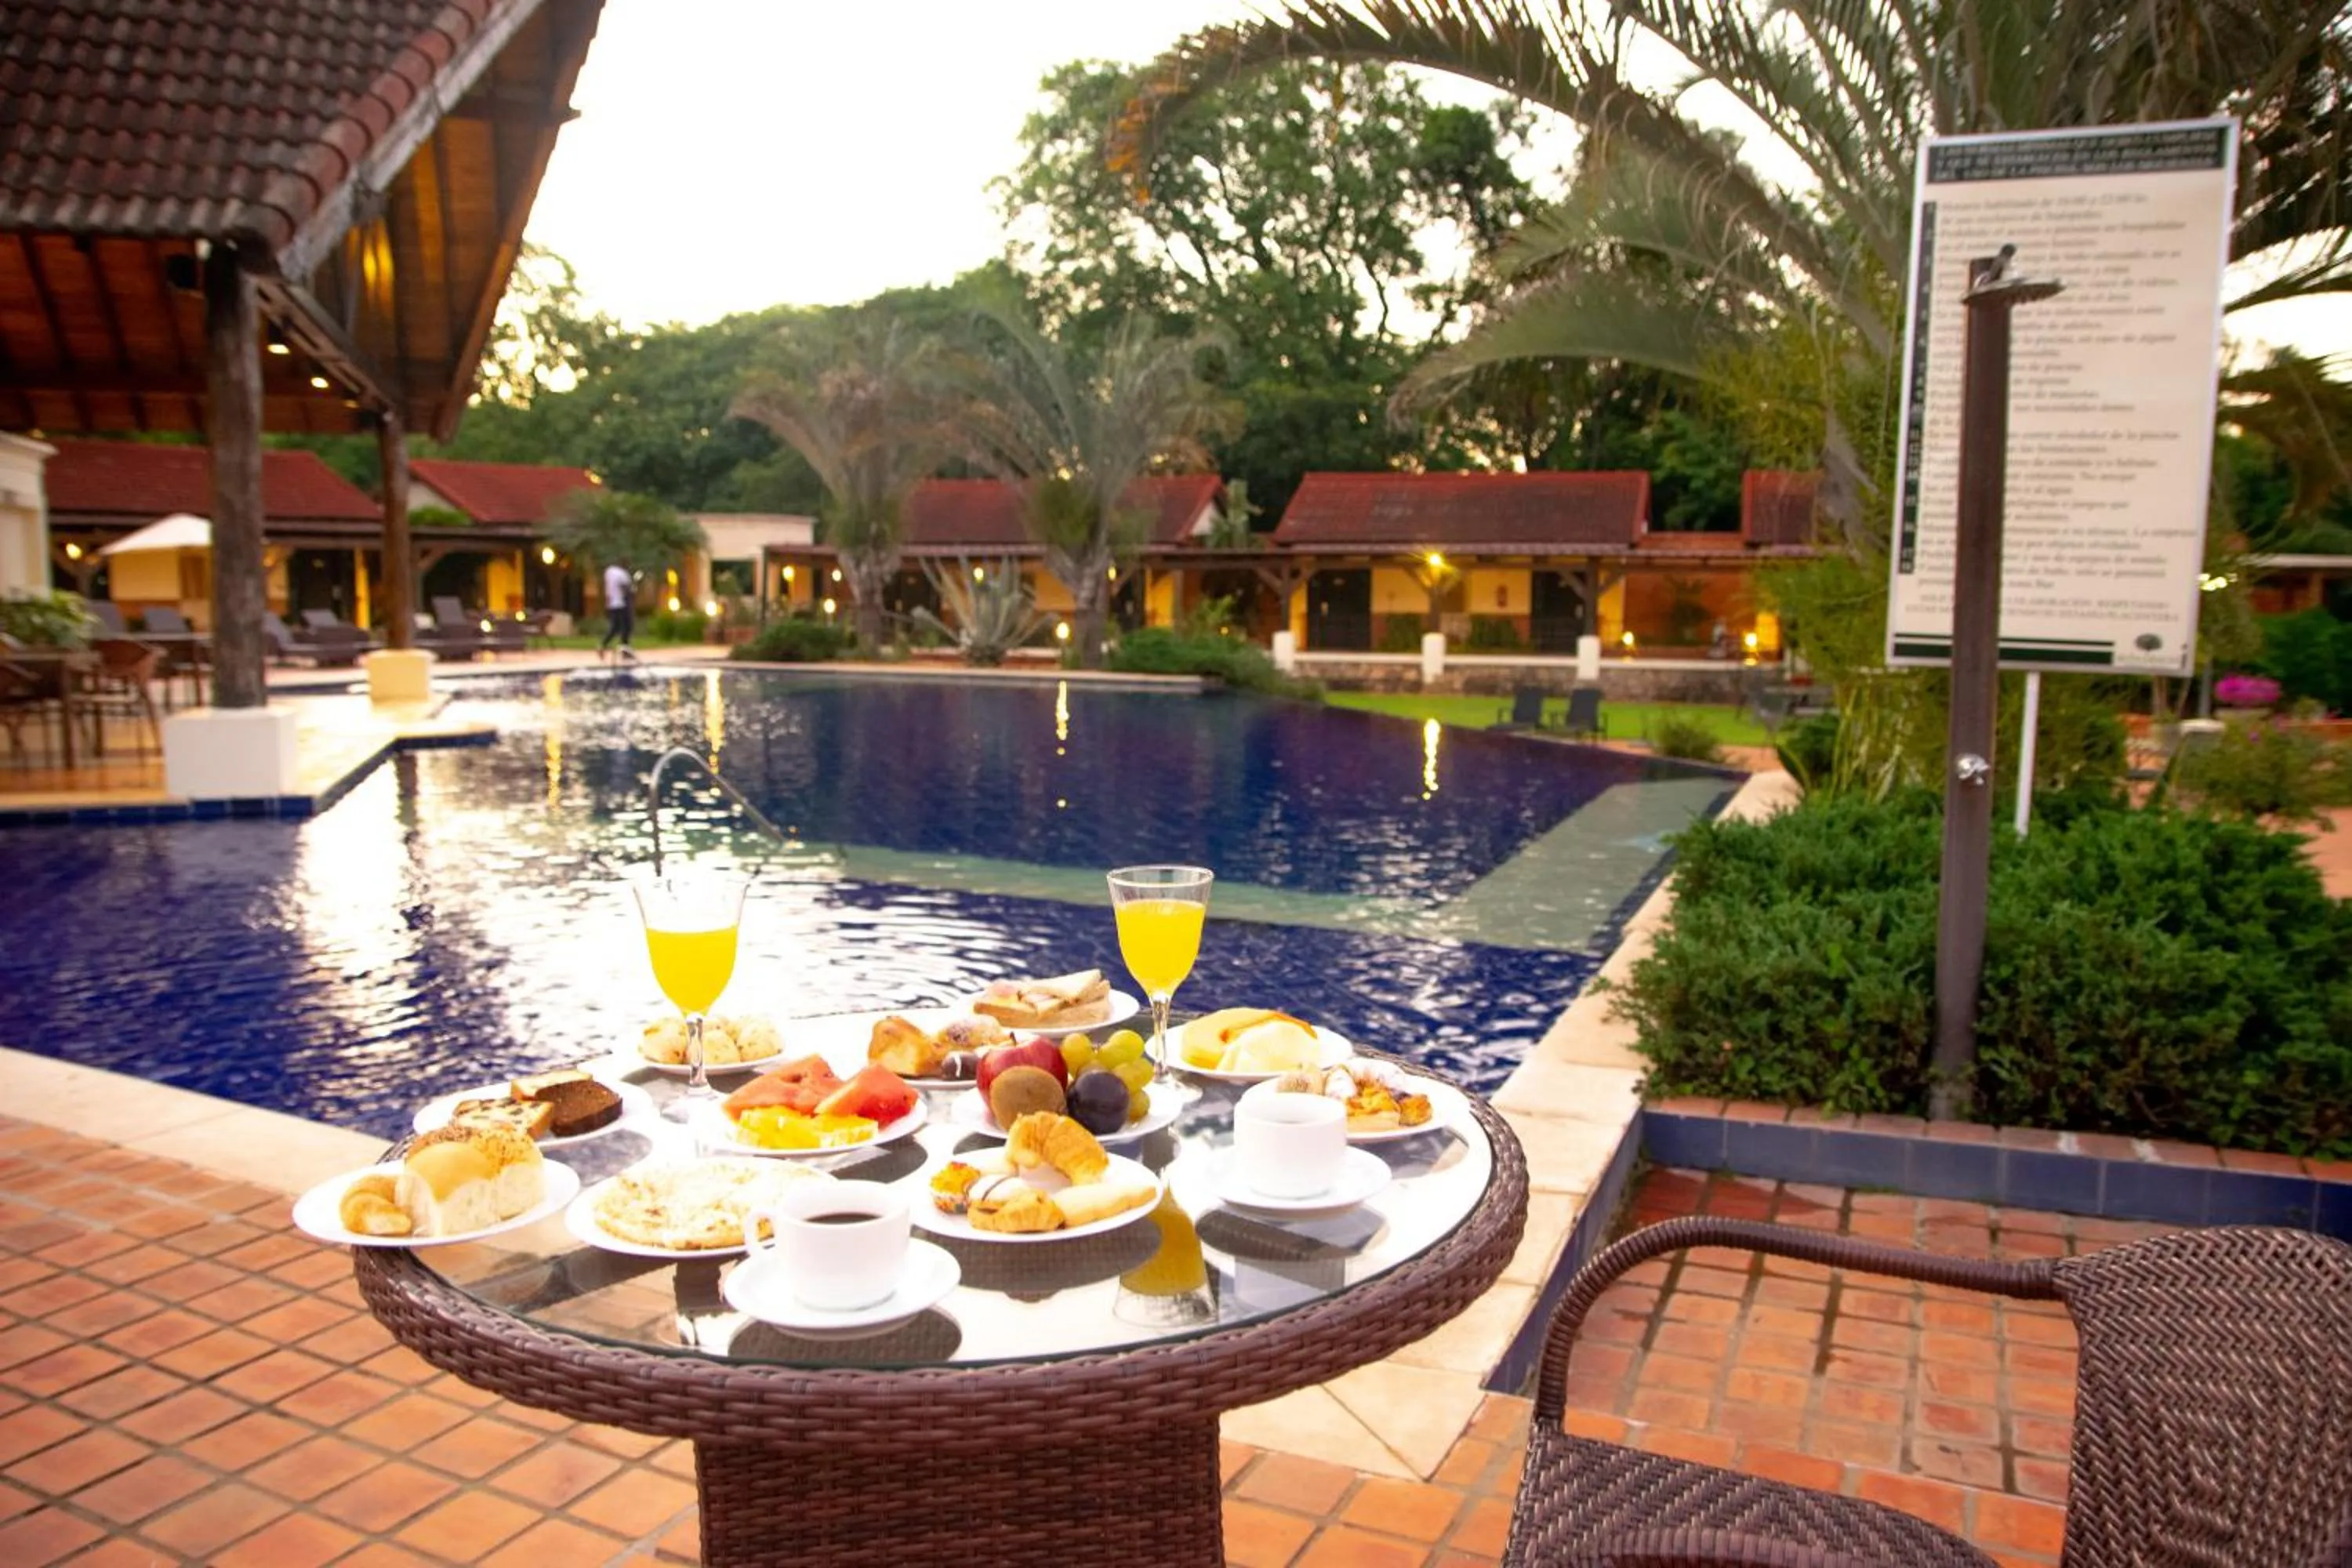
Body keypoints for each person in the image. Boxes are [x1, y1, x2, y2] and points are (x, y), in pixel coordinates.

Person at [601, 561, 636, 660]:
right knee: (627, 627)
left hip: (612, 604)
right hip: (622, 604)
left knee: (615, 628)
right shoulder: (623, 574)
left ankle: (602, 644)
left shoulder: (609, 571)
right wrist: (631, 593)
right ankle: (625, 651)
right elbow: (625, 588)